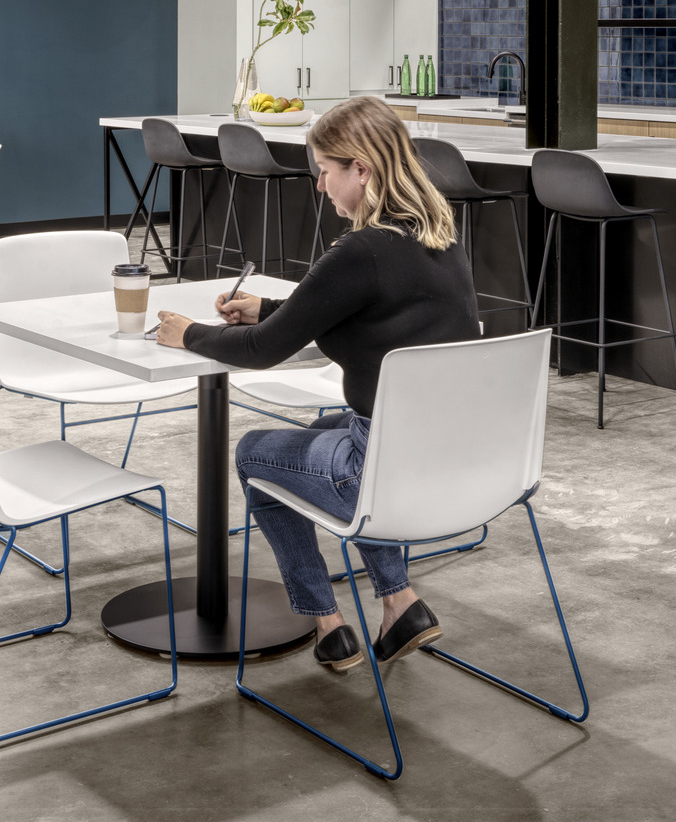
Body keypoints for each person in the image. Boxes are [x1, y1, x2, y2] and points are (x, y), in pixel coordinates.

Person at [151, 95, 479, 674]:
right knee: (324, 428)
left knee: (255, 454)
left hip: (381, 472)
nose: (321, 187)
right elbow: (357, 309)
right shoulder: (437, 234)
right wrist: (271, 306)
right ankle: (399, 602)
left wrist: (189, 333)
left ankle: (327, 623)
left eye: (325, 172)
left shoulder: (361, 249)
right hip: (457, 464)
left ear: (362, 170)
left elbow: (262, 352)